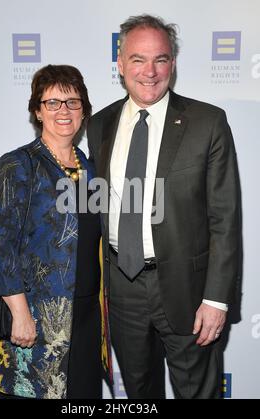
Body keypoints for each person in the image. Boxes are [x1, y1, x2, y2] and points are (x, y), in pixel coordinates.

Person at [87, 14, 241, 399]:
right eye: (138, 59)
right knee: (140, 394)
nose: (150, 72)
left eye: (161, 59)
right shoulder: (99, 125)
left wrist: (216, 299)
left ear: (173, 63)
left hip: (189, 292)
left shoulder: (207, 122)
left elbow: (225, 218)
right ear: (120, 64)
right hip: (122, 288)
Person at [0, 64, 112, 399]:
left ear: (84, 111)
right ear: (37, 111)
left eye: (72, 102)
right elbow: (0, 248)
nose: (63, 111)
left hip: (87, 318)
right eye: (52, 102)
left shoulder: (93, 170)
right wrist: (20, 315)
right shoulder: (18, 165)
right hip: (36, 317)